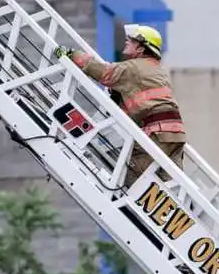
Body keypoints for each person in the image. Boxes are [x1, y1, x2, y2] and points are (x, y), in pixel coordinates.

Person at [53, 24, 185, 188]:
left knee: (132, 183)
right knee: (173, 187)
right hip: (175, 134)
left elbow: (105, 73)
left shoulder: (135, 67)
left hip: (156, 134)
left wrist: (72, 55)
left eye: (132, 40)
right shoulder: (157, 70)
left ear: (142, 48)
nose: (127, 41)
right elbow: (143, 102)